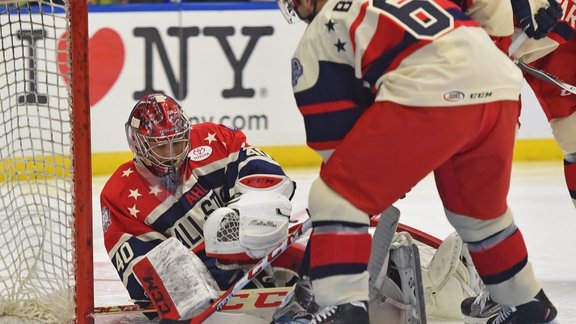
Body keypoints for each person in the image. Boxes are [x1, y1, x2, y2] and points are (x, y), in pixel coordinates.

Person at [275, 0, 558, 323]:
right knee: (479, 216)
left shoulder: (320, 35)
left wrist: (377, 179)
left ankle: (343, 309)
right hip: (501, 87)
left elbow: (339, 153)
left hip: (436, 93)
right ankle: (527, 302)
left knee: (334, 198)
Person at [100, 93, 302, 320]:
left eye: (177, 143)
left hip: (258, 257)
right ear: (138, 144)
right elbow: (145, 276)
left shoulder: (213, 139)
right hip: (205, 294)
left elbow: (271, 180)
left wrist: (239, 219)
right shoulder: (119, 194)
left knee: (310, 240)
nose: (171, 156)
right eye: (161, 147)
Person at [457, 0, 575, 322]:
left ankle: (504, 284)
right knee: (475, 152)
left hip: (538, 19)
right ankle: (503, 283)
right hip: (485, 25)